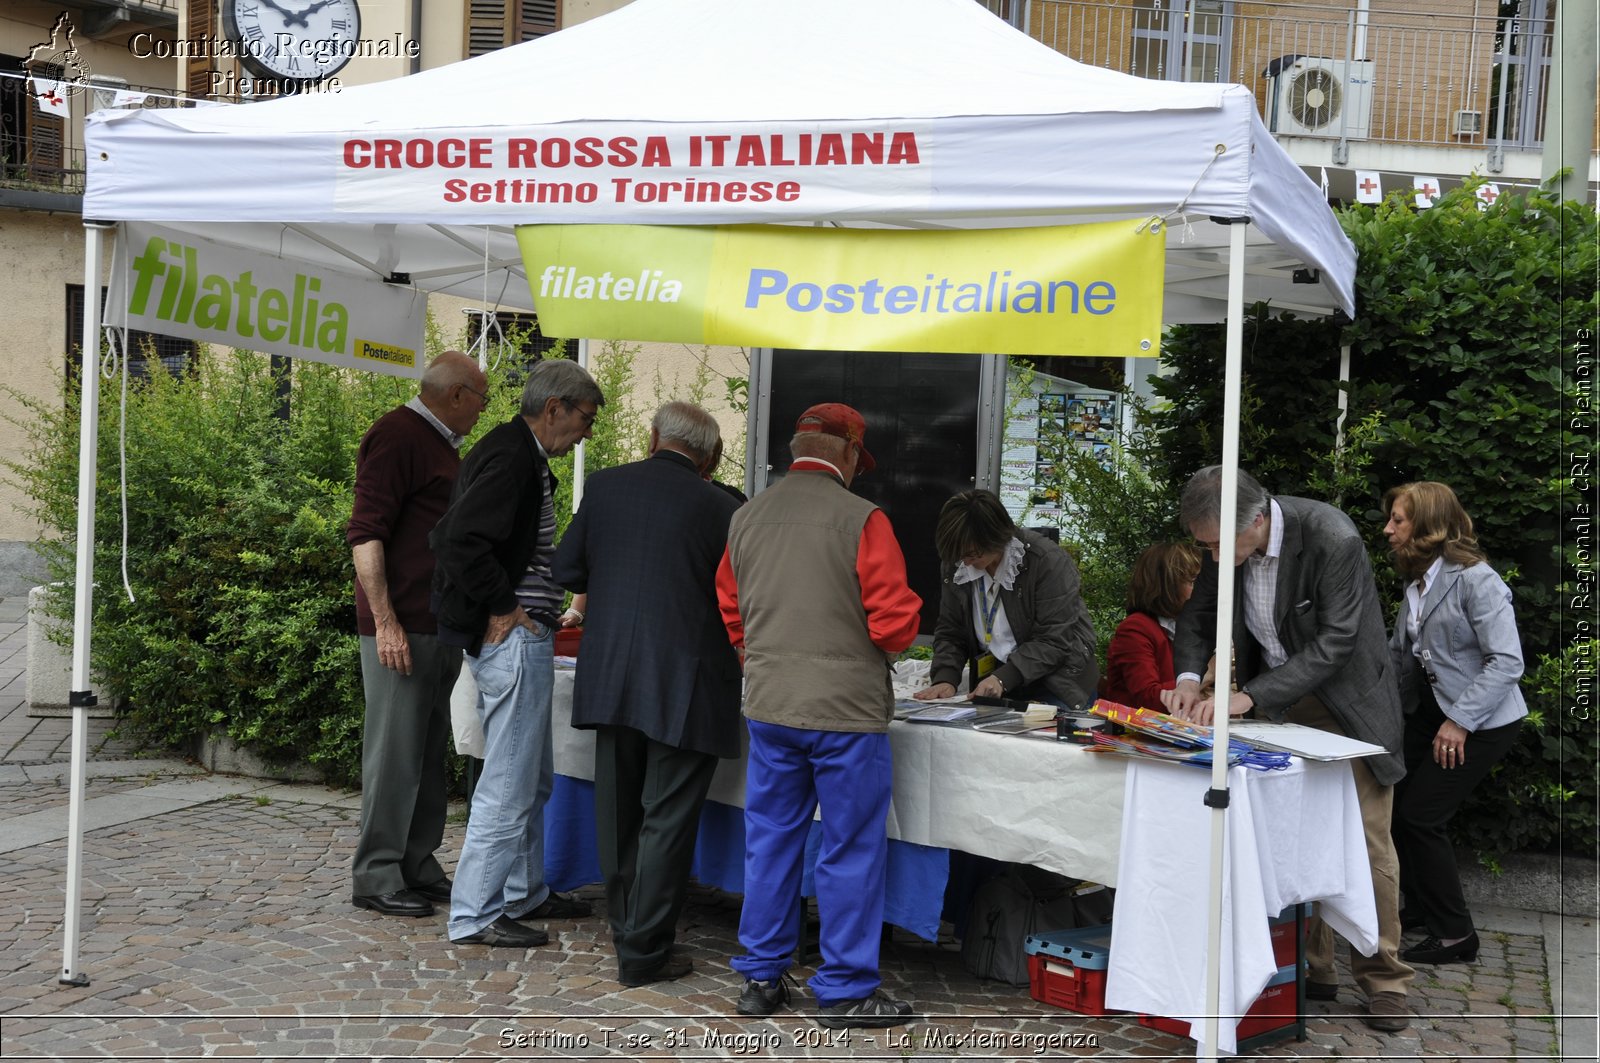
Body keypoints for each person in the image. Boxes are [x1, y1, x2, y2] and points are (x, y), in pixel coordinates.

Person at [1160, 465, 1414, 1032]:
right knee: (1293, 833)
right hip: (1274, 700)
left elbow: (1337, 642)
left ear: (1254, 519)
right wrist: (1182, 680)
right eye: (1205, 547)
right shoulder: (1223, 541)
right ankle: (1312, 967)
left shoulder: (1333, 536)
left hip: (1348, 705)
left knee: (1367, 840)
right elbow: (1200, 616)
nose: (1214, 557)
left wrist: (1247, 697)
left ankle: (1385, 978)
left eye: (1219, 545)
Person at [716, 403, 923, 1029]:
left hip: (772, 703)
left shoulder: (747, 516)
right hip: (846, 713)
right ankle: (845, 987)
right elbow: (894, 624)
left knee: (771, 839)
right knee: (850, 847)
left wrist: (764, 658)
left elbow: (730, 608)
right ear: (851, 454)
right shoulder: (864, 519)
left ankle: (761, 976)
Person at [551, 401, 742, 986]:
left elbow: (567, 569)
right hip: (687, 682)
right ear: (709, 459)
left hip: (611, 674)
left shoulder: (606, 487)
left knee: (619, 814)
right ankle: (642, 950)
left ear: (654, 436)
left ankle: (627, 934)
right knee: (666, 819)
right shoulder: (723, 507)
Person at [429, 358, 602, 948]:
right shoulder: (510, 457)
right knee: (507, 784)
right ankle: (475, 913)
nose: (585, 432)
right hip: (512, 640)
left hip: (520, 638)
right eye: (585, 419)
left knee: (531, 781)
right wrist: (503, 604)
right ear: (554, 408)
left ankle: (522, 892)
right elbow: (456, 540)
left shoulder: (513, 452)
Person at [348, 350, 488, 918]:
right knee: (394, 752)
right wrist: (385, 623)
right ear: (456, 395)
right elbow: (365, 533)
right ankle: (377, 873)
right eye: (481, 398)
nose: (483, 410)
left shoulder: (435, 443)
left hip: (434, 622)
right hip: (402, 624)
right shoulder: (397, 435)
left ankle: (416, 863)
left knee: (427, 752)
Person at [1384, 482, 1526, 965]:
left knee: (1421, 816)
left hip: (1482, 720)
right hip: (1429, 711)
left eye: (1398, 520)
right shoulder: (1418, 582)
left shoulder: (1476, 579)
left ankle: (1455, 936)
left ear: (1427, 525)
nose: (1388, 529)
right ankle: (1422, 908)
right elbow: (1401, 656)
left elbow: (1507, 662)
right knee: (1398, 802)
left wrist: (1460, 722)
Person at [913, 490, 1097, 708]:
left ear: (997, 537)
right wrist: (946, 678)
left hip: (1057, 684)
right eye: (959, 555)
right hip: (997, 680)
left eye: (972, 554)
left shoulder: (1046, 561)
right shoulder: (958, 562)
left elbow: (1054, 639)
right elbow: (951, 630)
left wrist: (1004, 677)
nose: (966, 563)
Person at [1101, 543, 1202, 711]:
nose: (1201, 590)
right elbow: (1148, 698)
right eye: (1193, 581)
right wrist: (1208, 675)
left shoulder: (1192, 626)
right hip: (1136, 733)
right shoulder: (1135, 629)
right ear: (1166, 586)